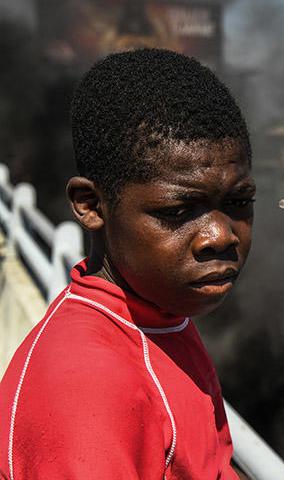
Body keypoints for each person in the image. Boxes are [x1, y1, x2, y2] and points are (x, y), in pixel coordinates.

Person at [0, 49, 254, 479]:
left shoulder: (158, 316)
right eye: (178, 211)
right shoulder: (87, 389)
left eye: (239, 203)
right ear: (91, 205)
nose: (221, 236)